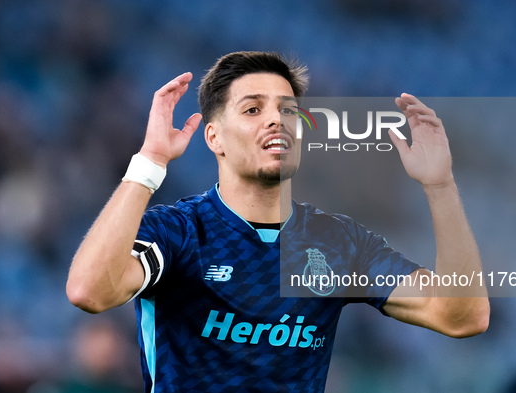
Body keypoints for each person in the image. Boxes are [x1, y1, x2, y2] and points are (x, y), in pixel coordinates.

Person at [66, 51, 490, 392]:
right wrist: (149, 163)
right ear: (214, 138)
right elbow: (89, 291)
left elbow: (460, 316)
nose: (276, 120)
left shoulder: (340, 242)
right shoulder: (179, 231)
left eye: (288, 110)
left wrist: (440, 186)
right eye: (252, 109)